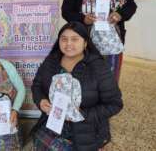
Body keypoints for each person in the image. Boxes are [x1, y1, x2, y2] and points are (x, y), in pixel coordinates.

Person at [31, 22, 123, 150]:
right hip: (52, 123)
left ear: (85, 43)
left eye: (74, 39)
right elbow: (37, 85)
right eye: (64, 39)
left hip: (85, 132)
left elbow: (115, 104)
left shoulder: (98, 67)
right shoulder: (51, 61)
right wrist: (41, 101)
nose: (68, 44)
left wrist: (84, 113)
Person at [61, 0, 137, 82]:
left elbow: (131, 6)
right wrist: (82, 19)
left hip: (111, 45)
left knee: (109, 82)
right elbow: (66, 11)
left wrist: (119, 15)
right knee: (85, 82)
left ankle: (109, 103)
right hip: (83, 46)